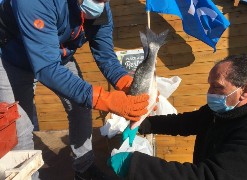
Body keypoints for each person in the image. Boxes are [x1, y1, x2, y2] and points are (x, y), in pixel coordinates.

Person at [0, 0, 150, 179]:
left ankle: (84, 168)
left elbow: (106, 56)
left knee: (80, 106)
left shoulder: (99, 8)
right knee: (18, 128)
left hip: (57, 56)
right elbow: (47, 69)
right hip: (11, 58)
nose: (99, 4)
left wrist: (127, 83)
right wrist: (104, 99)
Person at [108, 54, 247, 180]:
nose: (210, 93)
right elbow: (183, 123)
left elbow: (208, 175)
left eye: (217, 87)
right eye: (210, 85)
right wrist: (143, 124)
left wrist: (135, 165)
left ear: (245, 91)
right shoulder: (219, 112)